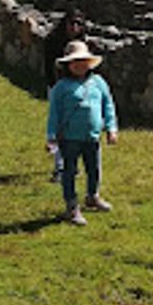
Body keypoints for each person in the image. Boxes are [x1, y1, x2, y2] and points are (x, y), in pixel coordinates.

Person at [46, 41, 118, 226]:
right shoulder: (61, 87)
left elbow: (108, 105)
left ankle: (92, 196)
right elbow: (54, 113)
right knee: (69, 171)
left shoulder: (98, 83)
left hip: (92, 136)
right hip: (69, 138)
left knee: (94, 169)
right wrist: (51, 136)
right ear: (68, 65)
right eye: (75, 62)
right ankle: (71, 206)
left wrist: (111, 128)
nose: (80, 65)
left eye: (83, 61)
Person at [44, 10, 86, 181]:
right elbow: (49, 68)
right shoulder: (53, 41)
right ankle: (60, 167)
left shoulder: (82, 43)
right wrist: (56, 90)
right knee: (59, 126)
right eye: (71, 23)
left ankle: (73, 165)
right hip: (58, 88)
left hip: (77, 90)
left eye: (78, 24)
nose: (74, 27)